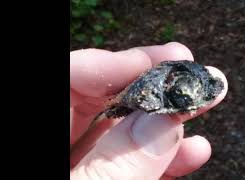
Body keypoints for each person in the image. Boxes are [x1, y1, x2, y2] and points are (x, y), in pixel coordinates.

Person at [70, 42, 228, 180]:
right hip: (136, 93)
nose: (186, 98)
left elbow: (215, 86)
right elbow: (139, 97)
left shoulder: (202, 82)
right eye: (181, 94)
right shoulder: (154, 92)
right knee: (118, 110)